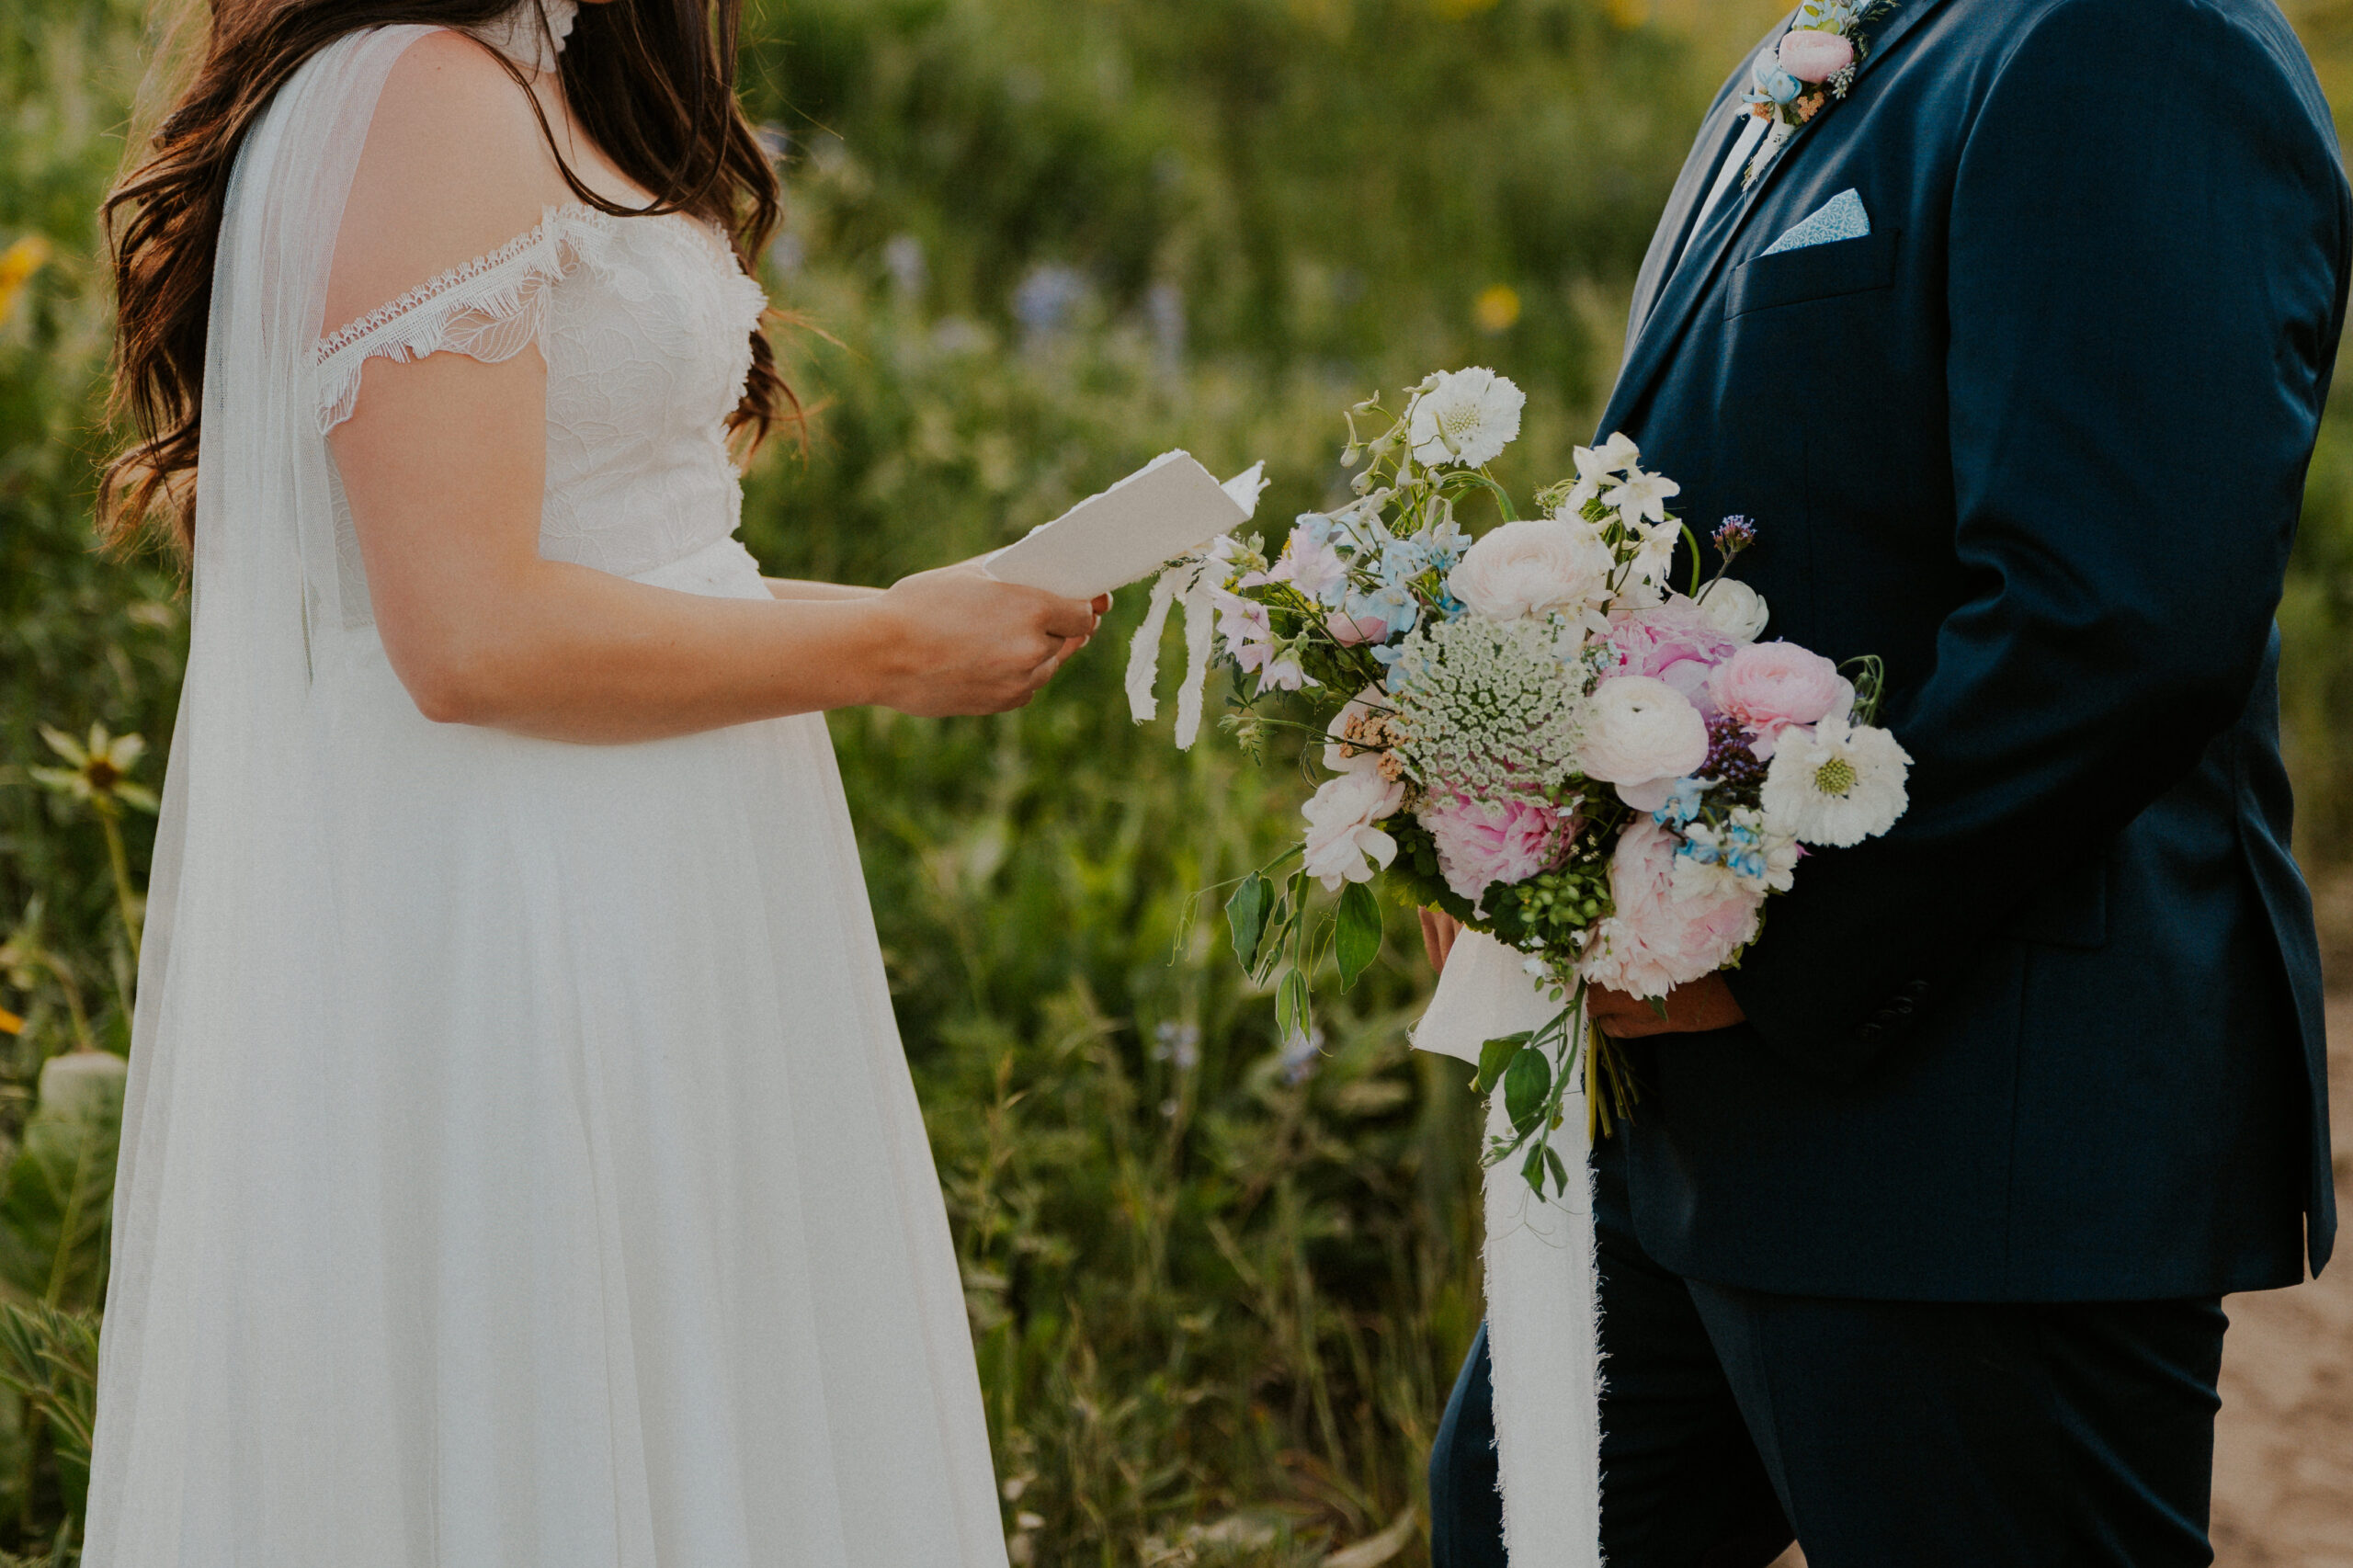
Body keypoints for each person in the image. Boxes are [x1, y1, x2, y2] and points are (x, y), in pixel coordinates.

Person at [87, 3, 1098, 1562]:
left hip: (671, 860)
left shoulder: (536, 73)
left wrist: (912, 609)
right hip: (529, 896)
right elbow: (468, 631)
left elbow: (639, 561)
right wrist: (889, 653)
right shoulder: (419, 95)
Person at [1425, 1, 2347, 1563]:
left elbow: (2115, 621)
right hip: (1707, 1129)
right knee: (1518, 1525)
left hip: (1979, 1136)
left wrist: (1751, 958)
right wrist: (1534, 849)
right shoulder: (1862, 29)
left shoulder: (2133, 39)